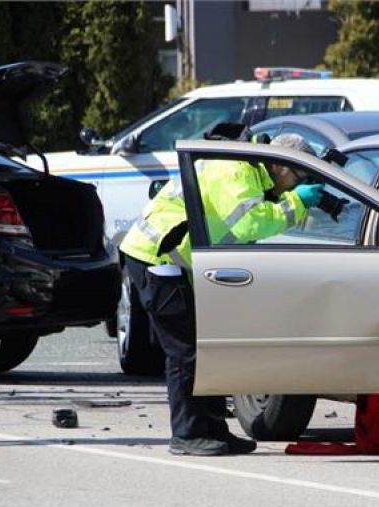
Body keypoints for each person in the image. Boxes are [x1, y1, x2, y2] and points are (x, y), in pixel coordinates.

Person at [119, 134, 324, 456]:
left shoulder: (250, 171)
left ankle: (212, 429)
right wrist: (297, 202)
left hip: (177, 262)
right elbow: (247, 224)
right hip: (157, 258)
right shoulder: (237, 170)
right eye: (298, 177)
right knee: (185, 352)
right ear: (279, 165)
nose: (295, 185)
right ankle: (186, 435)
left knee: (206, 350)